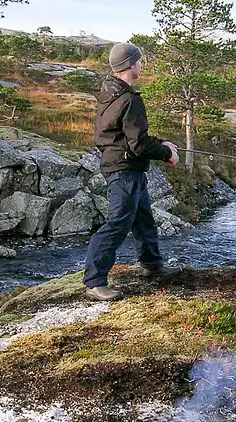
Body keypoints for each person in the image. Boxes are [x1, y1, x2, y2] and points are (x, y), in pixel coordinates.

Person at [83, 42, 182, 301]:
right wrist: (167, 154)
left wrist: (162, 144)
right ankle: (94, 282)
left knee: (143, 219)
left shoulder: (111, 95)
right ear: (130, 65)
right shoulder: (129, 99)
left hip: (124, 167)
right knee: (117, 224)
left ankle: (152, 265)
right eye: (139, 60)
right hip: (124, 170)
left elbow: (124, 136)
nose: (141, 64)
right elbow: (138, 144)